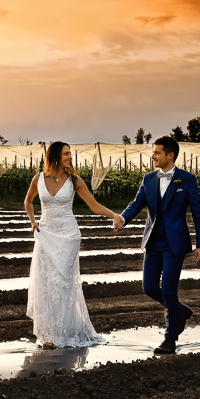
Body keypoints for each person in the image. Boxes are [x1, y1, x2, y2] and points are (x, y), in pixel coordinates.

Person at [24, 141, 123, 349]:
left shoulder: (75, 181)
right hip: (45, 235)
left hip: (68, 237)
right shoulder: (38, 179)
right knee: (46, 283)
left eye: (70, 153)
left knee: (63, 285)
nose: (70, 156)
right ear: (55, 156)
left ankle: (65, 333)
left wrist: (114, 215)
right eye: (66, 153)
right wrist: (33, 222)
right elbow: (28, 201)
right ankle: (49, 335)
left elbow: (94, 206)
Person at [115, 136, 200, 354]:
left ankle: (170, 339)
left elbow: (198, 214)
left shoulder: (187, 180)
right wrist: (123, 219)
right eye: (153, 152)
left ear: (170, 155)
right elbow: (137, 204)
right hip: (153, 242)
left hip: (175, 243)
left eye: (157, 152)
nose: (153, 156)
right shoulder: (148, 179)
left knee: (168, 289)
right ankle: (181, 311)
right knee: (149, 287)